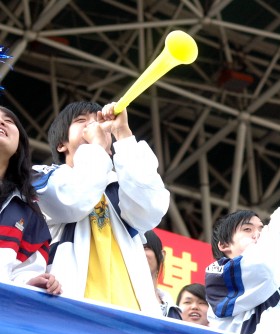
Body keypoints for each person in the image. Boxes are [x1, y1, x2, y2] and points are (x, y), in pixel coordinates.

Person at [32, 101, 170, 315]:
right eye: (81, 121)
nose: (94, 125)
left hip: (131, 317)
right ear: (61, 144)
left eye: (97, 121)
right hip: (69, 311)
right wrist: (96, 145)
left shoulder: (119, 187)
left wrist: (123, 134)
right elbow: (74, 200)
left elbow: (152, 209)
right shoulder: (45, 177)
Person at [0, 106, 61, 295]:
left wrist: (30, 283)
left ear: (19, 145)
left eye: (8, 121)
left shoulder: (28, 211)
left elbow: (21, 272)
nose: (1, 122)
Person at [143, 230, 181, 319]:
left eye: (146, 248)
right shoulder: (118, 294)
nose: (140, 252)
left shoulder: (172, 309)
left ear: (162, 255)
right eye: (135, 247)